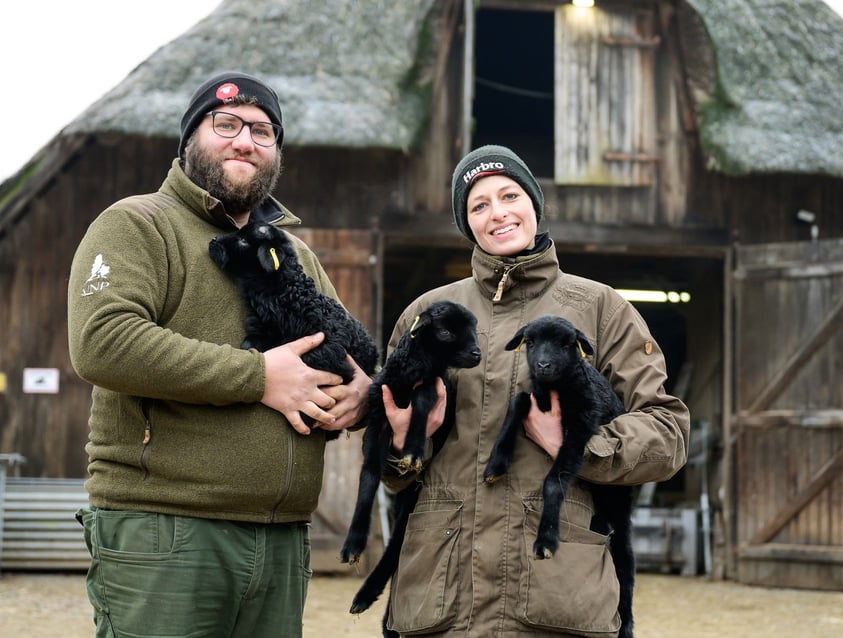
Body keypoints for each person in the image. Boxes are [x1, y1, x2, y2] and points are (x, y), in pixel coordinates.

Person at [66, 71, 372, 638]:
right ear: (190, 140)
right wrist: (258, 377)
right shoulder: (137, 223)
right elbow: (103, 342)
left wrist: (359, 393)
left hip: (281, 536)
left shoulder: (296, 254)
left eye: (262, 131)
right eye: (225, 124)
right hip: (167, 529)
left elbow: (343, 354)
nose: (244, 141)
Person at [379, 145, 690, 636]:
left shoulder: (600, 307)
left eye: (510, 195)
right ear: (467, 223)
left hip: (555, 593)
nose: (498, 212)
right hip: (440, 596)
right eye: (479, 205)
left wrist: (577, 446)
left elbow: (667, 432)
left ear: (534, 204)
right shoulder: (430, 312)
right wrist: (401, 440)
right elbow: (390, 467)